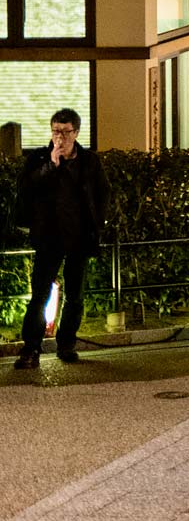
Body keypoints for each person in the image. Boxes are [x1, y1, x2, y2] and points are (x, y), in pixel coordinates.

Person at [14, 109, 110, 369]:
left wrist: (98, 224)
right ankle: (31, 349)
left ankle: (66, 344)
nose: (61, 137)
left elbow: (102, 193)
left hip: (80, 237)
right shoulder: (40, 158)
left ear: (76, 133)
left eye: (66, 132)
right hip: (49, 237)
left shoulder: (89, 161)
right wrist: (51, 166)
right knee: (40, 294)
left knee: (75, 295)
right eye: (56, 131)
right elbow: (26, 189)